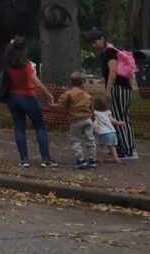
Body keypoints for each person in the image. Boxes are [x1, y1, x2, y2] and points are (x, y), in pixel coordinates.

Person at [2, 38, 56, 168]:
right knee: (40, 127)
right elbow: (37, 83)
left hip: (12, 98)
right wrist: (48, 95)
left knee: (19, 127)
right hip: (27, 97)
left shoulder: (7, 65)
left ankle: (24, 159)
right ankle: (45, 158)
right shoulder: (25, 65)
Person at [85, 28, 137, 160]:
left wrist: (108, 89)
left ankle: (127, 150)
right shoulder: (112, 50)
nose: (94, 45)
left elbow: (113, 71)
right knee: (120, 116)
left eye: (95, 42)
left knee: (120, 118)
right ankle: (122, 146)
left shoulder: (109, 52)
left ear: (102, 38)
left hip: (118, 87)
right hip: (123, 87)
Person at [54, 72, 96, 169]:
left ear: (71, 82)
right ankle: (93, 160)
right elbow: (91, 106)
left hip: (76, 120)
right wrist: (93, 118)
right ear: (82, 82)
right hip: (88, 119)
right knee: (90, 139)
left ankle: (81, 160)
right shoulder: (86, 93)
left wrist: (51, 104)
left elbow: (60, 105)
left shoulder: (68, 94)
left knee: (75, 140)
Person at [92, 95, 125, 164]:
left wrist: (95, 128)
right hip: (111, 131)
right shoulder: (107, 112)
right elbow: (112, 120)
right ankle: (115, 158)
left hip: (101, 132)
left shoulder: (95, 113)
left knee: (99, 145)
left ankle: (99, 158)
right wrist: (119, 123)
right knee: (112, 146)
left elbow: (95, 122)